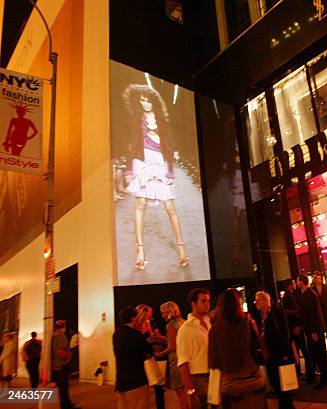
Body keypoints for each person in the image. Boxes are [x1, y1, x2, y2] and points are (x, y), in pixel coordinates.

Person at [122, 84, 189, 270]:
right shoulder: (136, 121)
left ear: (154, 101)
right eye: (142, 100)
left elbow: (168, 146)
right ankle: (140, 251)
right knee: (140, 204)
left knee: (169, 206)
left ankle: (182, 249)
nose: (145, 103)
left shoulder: (163, 122)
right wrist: (128, 170)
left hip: (160, 162)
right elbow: (132, 145)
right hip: (142, 162)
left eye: (148, 100)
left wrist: (170, 170)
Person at [209, 288, 267, 409]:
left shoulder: (215, 329)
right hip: (254, 381)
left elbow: (215, 362)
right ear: (237, 303)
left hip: (232, 386)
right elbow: (260, 348)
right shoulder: (247, 322)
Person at [255, 291, 296, 409]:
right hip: (269, 356)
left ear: (266, 301)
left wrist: (285, 353)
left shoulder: (277, 313)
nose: (256, 302)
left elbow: (285, 333)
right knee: (275, 384)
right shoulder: (260, 316)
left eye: (258, 300)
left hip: (280, 355)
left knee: (283, 385)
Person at [176, 288, 212, 409]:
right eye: (203, 301)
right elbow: (182, 363)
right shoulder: (186, 329)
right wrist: (190, 392)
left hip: (214, 376)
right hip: (199, 380)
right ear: (193, 304)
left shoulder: (209, 323)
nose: (207, 304)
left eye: (208, 301)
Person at [113, 306, 153, 409]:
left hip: (121, 379)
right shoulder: (135, 334)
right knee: (140, 404)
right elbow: (149, 351)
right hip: (136, 378)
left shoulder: (116, 334)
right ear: (132, 318)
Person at [297, 274, 327, 388]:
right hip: (313, 329)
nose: (296, 283)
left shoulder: (308, 295)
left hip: (314, 330)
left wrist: (313, 331)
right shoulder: (308, 294)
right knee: (316, 353)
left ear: (302, 282)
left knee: (319, 353)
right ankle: (321, 377)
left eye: (298, 281)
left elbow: (312, 314)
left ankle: (324, 379)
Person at [157, 301, 188, 409]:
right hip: (184, 359)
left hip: (175, 361)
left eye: (163, 313)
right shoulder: (183, 322)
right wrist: (160, 338)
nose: (162, 315)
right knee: (187, 392)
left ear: (169, 312)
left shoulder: (170, 325)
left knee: (180, 394)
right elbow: (175, 340)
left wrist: (161, 353)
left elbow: (173, 346)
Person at [135, 304, 166, 409]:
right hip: (142, 358)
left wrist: (156, 336)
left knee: (157, 384)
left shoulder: (149, 323)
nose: (151, 315)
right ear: (143, 313)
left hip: (151, 356)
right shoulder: (136, 326)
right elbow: (140, 341)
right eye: (149, 313)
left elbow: (151, 338)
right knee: (144, 386)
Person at [281, 278, 309, 375]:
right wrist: (297, 313)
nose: (295, 284)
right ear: (289, 285)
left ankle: (298, 372)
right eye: (293, 283)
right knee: (302, 349)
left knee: (297, 349)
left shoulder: (290, 295)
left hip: (294, 327)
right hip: (295, 327)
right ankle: (305, 372)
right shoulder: (288, 296)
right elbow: (286, 312)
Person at [52, 320, 80, 409]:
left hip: (56, 366)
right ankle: (66, 406)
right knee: (64, 387)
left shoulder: (54, 335)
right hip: (61, 365)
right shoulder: (60, 336)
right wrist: (67, 358)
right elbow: (60, 351)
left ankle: (66, 404)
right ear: (63, 327)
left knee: (62, 387)